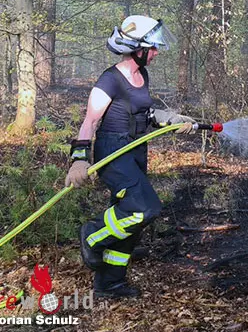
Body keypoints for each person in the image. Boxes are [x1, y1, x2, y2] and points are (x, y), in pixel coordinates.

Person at [65, 15, 195, 299]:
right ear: (137, 48)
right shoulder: (110, 80)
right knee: (143, 209)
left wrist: (170, 118)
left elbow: (143, 112)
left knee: (129, 223)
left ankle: (109, 283)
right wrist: (79, 159)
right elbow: (90, 121)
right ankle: (92, 234)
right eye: (153, 47)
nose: (157, 52)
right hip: (113, 152)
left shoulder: (142, 75)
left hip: (135, 149)